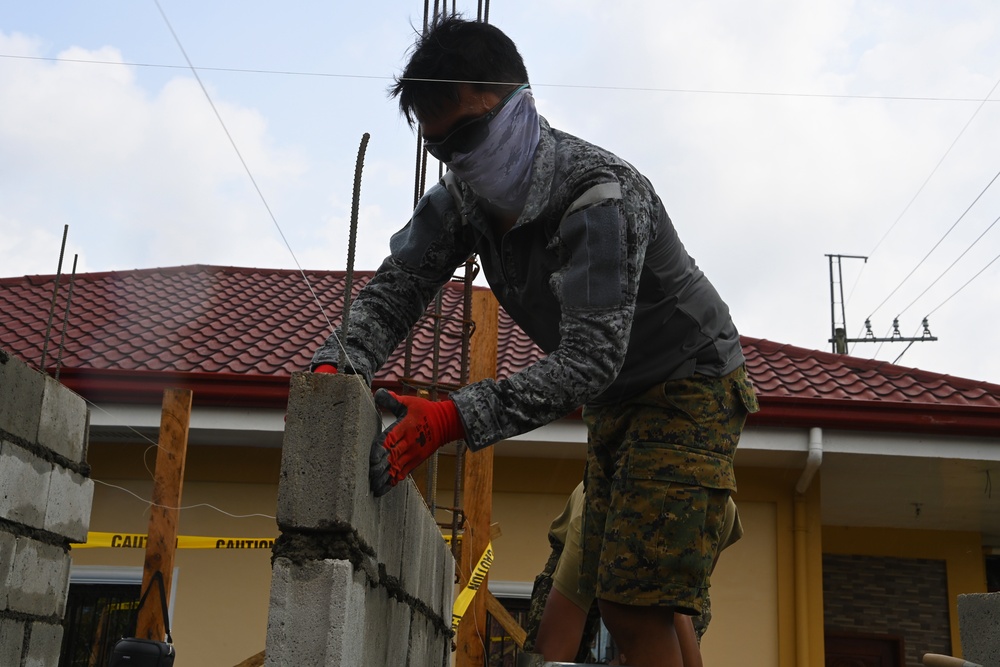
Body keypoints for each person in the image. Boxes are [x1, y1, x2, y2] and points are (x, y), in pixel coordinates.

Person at [310, 15, 758, 666]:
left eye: (471, 132)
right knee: (628, 590)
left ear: (522, 103)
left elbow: (589, 362)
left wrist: (454, 415)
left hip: (689, 380)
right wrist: (334, 367)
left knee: (635, 601)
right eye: (443, 148)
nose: (460, 158)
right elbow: (399, 285)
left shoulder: (601, 196)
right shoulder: (463, 198)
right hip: (620, 399)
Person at [523, 483, 744, 665]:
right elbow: (554, 655)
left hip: (679, 532)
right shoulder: (592, 525)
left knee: (671, 629)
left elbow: (681, 616)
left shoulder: (717, 512)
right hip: (598, 543)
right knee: (542, 659)